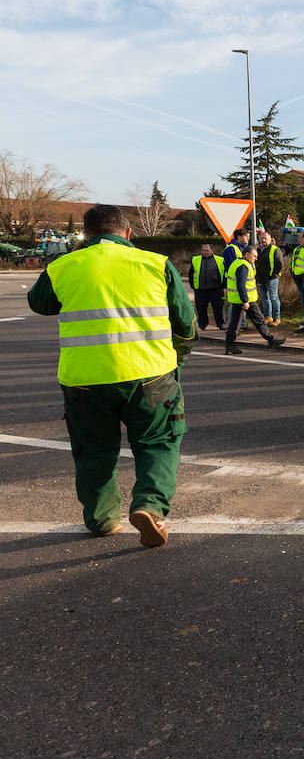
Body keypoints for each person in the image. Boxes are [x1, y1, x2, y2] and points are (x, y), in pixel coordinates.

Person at [26, 204, 197, 547]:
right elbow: (185, 323)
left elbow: (39, 303)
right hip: (150, 374)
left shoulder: (64, 266)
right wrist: (177, 358)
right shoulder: (154, 263)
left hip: (84, 380)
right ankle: (149, 505)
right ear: (128, 232)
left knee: (93, 450)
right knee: (157, 443)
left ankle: (102, 520)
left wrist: (74, 260)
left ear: (85, 235)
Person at [225, 246, 286, 355]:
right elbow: (241, 285)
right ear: (247, 254)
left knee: (234, 324)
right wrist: (245, 301)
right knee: (259, 320)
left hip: (237, 299)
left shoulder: (237, 263)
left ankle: (230, 346)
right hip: (246, 300)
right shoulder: (243, 266)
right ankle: (271, 340)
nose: (256, 258)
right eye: (254, 256)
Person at [188, 242, 225, 330]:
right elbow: (191, 274)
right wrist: (193, 286)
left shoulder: (220, 260)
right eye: (203, 250)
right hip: (200, 289)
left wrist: (224, 287)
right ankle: (202, 325)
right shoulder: (196, 259)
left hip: (215, 289)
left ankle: (220, 324)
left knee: (218, 308)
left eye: (207, 250)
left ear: (212, 251)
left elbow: (224, 274)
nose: (205, 252)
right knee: (201, 309)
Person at [256, 231, 283, 326]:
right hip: (260, 279)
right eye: (261, 238)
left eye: (265, 238)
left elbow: (280, 264)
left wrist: (273, 275)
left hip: (271, 279)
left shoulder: (275, 249)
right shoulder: (258, 250)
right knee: (265, 299)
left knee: (274, 298)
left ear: (270, 239)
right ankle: (268, 317)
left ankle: (277, 318)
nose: (263, 240)